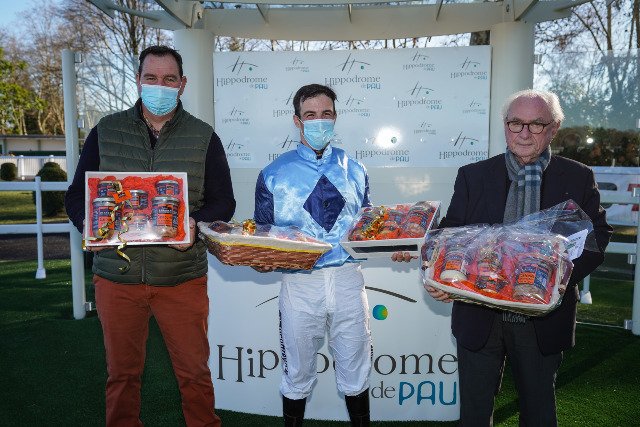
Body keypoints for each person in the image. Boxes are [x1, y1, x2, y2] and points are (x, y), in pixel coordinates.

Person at [393, 89, 612, 426]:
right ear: (505, 125)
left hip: (542, 314)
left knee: (538, 411)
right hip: (479, 313)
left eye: (536, 124)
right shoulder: (473, 175)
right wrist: (435, 272)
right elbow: (452, 234)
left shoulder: (577, 176)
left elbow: (598, 236)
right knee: (474, 412)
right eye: (515, 123)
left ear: (554, 128)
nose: (524, 133)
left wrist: (560, 277)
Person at [65, 45, 235, 427]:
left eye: (169, 79)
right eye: (152, 77)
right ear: (139, 80)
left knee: (194, 374)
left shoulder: (204, 136)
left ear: (182, 84)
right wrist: (90, 224)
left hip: (181, 277)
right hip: (117, 279)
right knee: (122, 376)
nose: (160, 85)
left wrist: (194, 226)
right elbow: (76, 195)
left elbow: (224, 201)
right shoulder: (106, 131)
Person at [253, 84, 372, 426]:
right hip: (300, 283)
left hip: (348, 280)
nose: (319, 121)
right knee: (298, 371)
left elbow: (368, 226)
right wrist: (260, 258)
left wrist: (396, 244)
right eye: (310, 115)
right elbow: (262, 234)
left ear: (335, 117)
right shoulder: (273, 174)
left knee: (356, 368)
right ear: (297, 120)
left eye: (326, 114)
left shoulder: (356, 169)